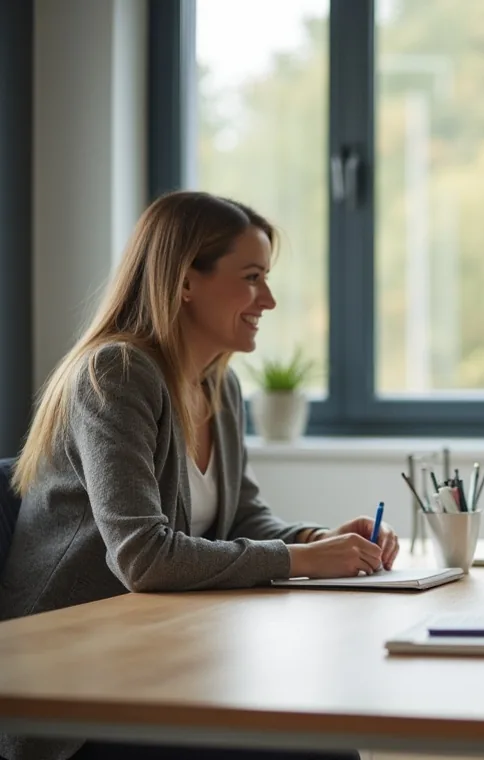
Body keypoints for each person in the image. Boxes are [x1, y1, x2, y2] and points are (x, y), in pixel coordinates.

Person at [0, 191, 398, 760]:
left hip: (160, 659)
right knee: (314, 745)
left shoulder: (218, 385)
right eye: (253, 277)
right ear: (186, 281)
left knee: (323, 733)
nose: (270, 299)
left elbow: (241, 517)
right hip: (73, 690)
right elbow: (143, 556)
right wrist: (301, 562)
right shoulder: (115, 374)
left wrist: (320, 540)